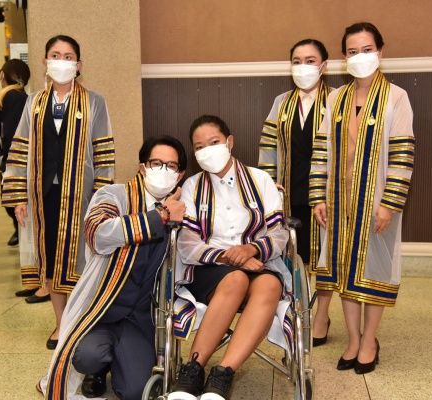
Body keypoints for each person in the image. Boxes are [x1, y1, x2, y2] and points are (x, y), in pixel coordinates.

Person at [38, 135, 187, 400]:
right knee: (88, 356)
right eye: (156, 163)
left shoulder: (182, 211)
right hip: (100, 310)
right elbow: (97, 234)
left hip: (138, 318)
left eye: (171, 166)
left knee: (135, 392)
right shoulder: (114, 196)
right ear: (142, 167)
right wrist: (160, 216)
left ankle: (120, 361)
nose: (163, 170)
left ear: (180, 175)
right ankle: (97, 369)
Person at [309, 22, 415, 374]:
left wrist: (389, 204)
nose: (360, 57)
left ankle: (370, 339)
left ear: (380, 51)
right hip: (338, 203)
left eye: (367, 50)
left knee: (374, 270)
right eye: (352, 51)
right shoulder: (336, 98)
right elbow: (321, 151)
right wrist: (318, 197)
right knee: (344, 270)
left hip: (377, 202)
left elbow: (402, 156)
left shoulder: (396, 97)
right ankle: (353, 339)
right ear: (344, 57)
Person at [2, 35, 115, 350]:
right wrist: (18, 196)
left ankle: (81, 321)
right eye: (55, 55)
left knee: (82, 259)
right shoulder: (34, 103)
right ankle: (61, 322)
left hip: (82, 196)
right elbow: (19, 148)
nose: (61, 61)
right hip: (44, 195)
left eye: (68, 56)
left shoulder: (94, 102)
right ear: (44, 61)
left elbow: (104, 152)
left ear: (78, 65)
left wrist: (102, 198)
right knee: (51, 258)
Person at [169, 115, 292, 400]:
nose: (207, 151)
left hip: (259, 261)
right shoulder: (191, 187)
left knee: (270, 284)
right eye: (199, 147)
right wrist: (230, 257)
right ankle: (192, 371)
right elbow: (187, 243)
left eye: (214, 142)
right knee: (236, 279)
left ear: (230, 142)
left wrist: (251, 250)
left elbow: (279, 233)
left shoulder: (260, 180)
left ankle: (222, 375)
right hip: (209, 266)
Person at [258, 38, 334, 347]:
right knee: (295, 256)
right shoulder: (282, 103)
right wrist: (268, 185)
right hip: (289, 191)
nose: (303, 67)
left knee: (325, 258)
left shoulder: (336, 100)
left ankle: (322, 316)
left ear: (323, 66)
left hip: (325, 195)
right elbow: (268, 147)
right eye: (297, 61)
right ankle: (297, 311)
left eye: (310, 60)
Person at [0, 59, 30, 248]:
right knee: (12, 199)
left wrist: (4, 157)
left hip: (14, 159)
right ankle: (19, 230)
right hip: (12, 158)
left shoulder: (17, 98)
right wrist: (0, 156)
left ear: (2, 75)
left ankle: (21, 231)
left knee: (13, 199)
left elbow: (2, 133)